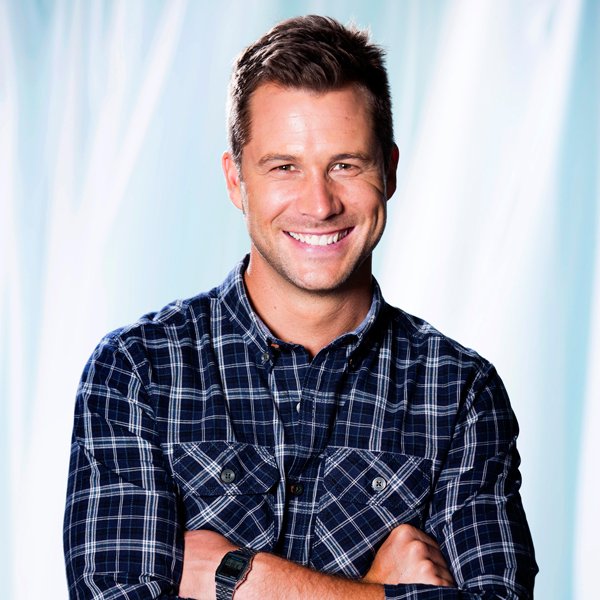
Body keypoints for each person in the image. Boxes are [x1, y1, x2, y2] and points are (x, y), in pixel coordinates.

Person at [63, 15, 537, 600]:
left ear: (389, 171)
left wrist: (247, 581)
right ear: (236, 180)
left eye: (345, 165)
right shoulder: (136, 371)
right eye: (284, 167)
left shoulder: (461, 391)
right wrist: (376, 590)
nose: (319, 203)